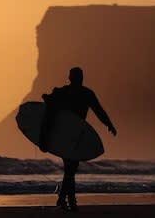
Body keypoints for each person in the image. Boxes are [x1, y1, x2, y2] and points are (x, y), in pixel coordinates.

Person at [39, 67, 117, 212]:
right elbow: (49, 113)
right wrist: (43, 138)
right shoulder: (73, 93)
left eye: (78, 77)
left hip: (72, 136)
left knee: (71, 168)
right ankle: (67, 200)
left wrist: (109, 124)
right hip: (66, 136)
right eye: (76, 77)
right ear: (72, 78)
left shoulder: (78, 93)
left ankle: (65, 200)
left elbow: (99, 111)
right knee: (71, 168)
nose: (77, 79)